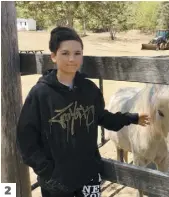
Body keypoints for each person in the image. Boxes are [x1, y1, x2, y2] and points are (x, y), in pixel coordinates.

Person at [16, 26, 150, 197]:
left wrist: (132, 118)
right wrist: (45, 169)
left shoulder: (89, 89)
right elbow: (25, 136)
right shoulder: (40, 93)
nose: (72, 59)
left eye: (77, 53)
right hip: (55, 181)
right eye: (65, 53)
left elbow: (102, 117)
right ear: (53, 56)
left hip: (89, 176)